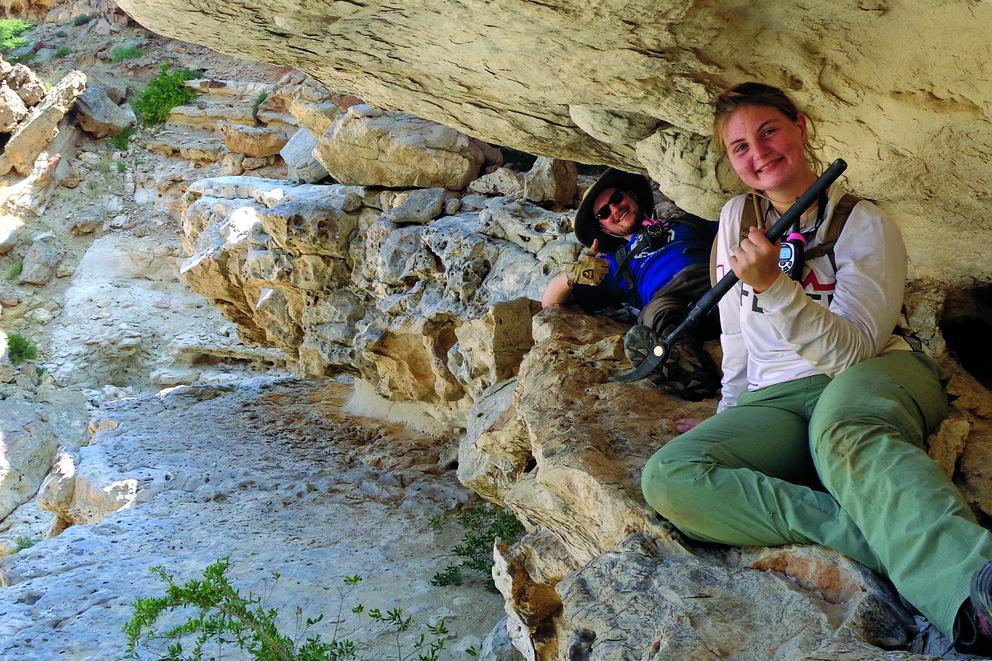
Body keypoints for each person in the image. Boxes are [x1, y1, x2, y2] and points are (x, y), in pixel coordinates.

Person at [640, 81, 992, 653]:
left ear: (800, 127)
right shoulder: (735, 219)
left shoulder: (863, 222)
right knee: (670, 476)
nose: (759, 152)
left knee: (843, 431)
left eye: (769, 131)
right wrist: (729, 414)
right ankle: (877, 534)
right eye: (740, 147)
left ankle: (973, 593)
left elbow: (853, 350)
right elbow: (734, 332)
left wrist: (776, 287)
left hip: (870, 375)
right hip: (776, 399)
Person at [541, 168, 721, 400]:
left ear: (632, 196)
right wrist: (573, 275)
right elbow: (548, 303)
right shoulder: (614, 263)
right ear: (604, 228)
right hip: (670, 303)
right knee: (651, 319)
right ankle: (691, 373)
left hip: (713, 277)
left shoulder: (686, 221)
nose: (615, 209)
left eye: (617, 199)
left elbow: (732, 227)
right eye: (604, 213)